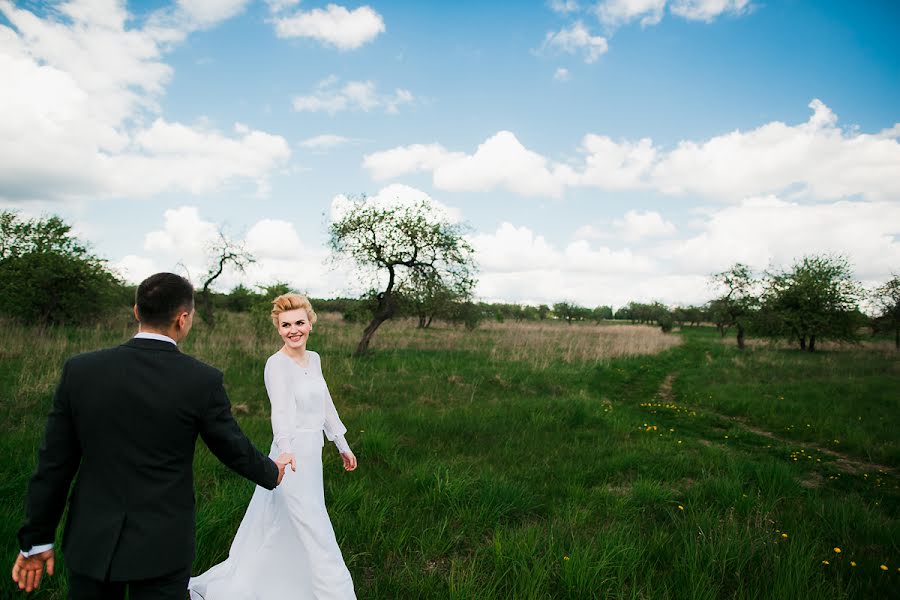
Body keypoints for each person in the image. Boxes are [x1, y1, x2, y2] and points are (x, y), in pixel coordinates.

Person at [12, 272, 296, 599]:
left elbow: (54, 464)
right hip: (163, 544)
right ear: (183, 318)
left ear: (136, 312)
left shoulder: (80, 371)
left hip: (92, 541)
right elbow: (231, 447)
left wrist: (37, 541)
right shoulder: (201, 380)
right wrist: (271, 472)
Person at [189, 293, 357, 599]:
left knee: (290, 520)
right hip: (290, 457)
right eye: (285, 325)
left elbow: (325, 403)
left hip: (312, 453)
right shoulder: (276, 364)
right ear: (278, 329)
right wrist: (285, 448)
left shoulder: (315, 359)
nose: (293, 330)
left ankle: (291, 581)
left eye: (299, 323)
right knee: (311, 522)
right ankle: (333, 591)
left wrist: (341, 443)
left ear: (310, 324)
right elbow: (279, 411)